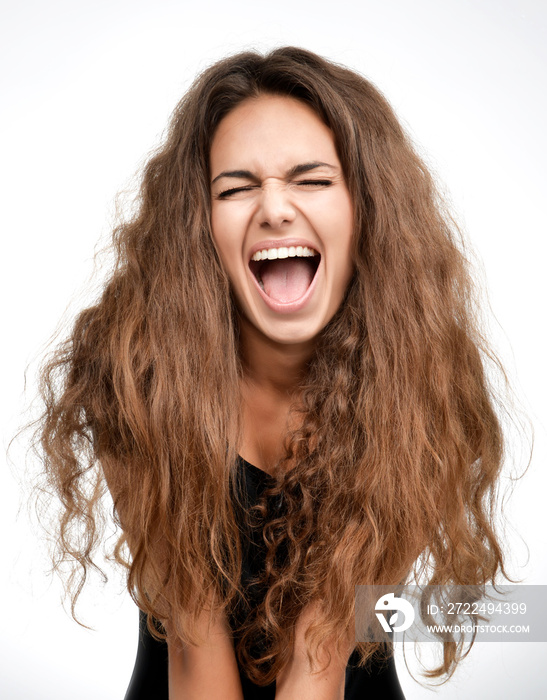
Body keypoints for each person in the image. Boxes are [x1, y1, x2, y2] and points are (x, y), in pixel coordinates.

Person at [34, 47, 509, 699]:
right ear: (198, 225)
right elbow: (195, 651)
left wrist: (504, 620)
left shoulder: (422, 381)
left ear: (366, 210)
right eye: (236, 187)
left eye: (311, 180)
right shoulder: (135, 371)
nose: (275, 208)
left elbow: (321, 662)